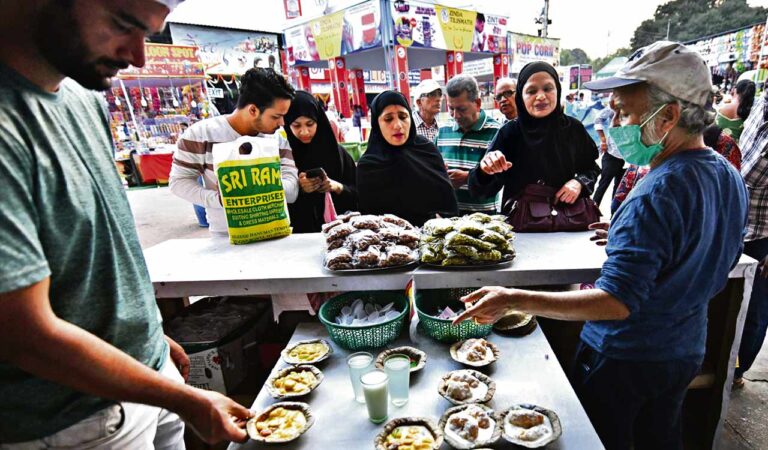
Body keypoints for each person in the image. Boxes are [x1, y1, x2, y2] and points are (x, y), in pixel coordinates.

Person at [455, 41, 749, 450]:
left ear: (668, 116)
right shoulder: (726, 175)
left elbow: (616, 302)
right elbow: (717, 255)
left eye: (625, 112)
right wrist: (641, 238)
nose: (615, 123)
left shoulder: (654, 195)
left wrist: (513, 299)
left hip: (625, 359)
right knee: (661, 438)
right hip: (685, 349)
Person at [0, 0, 253, 448]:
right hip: (73, 422)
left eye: (148, 34)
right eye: (123, 24)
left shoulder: (84, 100)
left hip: (149, 378)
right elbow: (24, 334)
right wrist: (185, 399)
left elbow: (105, 246)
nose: (138, 56)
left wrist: (150, 335)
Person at [169, 67, 299, 235]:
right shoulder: (200, 135)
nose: (282, 123)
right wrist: (220, 199)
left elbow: (292, 191)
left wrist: (257, 188)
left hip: (275, 231)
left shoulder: (277, 139)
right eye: (276, 116)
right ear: (253, 110)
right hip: (226, 237)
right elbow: (178, 183)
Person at [468, 62, 599, 215]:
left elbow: (591, 168)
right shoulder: (510, 133)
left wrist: (579, 183)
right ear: (521, 97)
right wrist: (485, 170)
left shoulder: (573, 129)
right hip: (520, 223)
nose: (541, 96)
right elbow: (482, 191)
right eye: (531, 91)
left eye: (548, 88)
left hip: (565, 220)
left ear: (558, 90)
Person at [357, 90, 458, 226]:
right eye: (388, 119)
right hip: (389, 238)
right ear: (376, 123)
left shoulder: (427, 150)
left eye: (403, 117)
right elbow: (370, 218)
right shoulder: (369, 165)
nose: (398, 125)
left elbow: (448, 202)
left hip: (435, 234)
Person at [611, 122, 741, 213]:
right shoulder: (649, 144)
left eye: (626, 113)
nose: (615, 123)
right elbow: (620, 200)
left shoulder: (722, 148)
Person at [284, 91, 357, 233]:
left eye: (310, 124)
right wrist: (297, 188)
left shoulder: (338, 154)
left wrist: (337, 187)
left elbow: (358, 194)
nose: (304, 132)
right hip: (299, 236)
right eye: (296, 125)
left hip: (340, 234)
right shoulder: (285, 157)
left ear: (319, 120)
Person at [735, 84, 768, 387]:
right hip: (734, 225)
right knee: (726, 305)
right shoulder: (761, 104)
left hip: (763, 237)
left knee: (755, 311)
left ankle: (737, 372)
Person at [436, 74, 502, 214]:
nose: (455, 115)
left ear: (477, 103)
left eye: (461, 109)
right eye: (451, 108)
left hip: (484, 219)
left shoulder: (497, 132)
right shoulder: (442, 131)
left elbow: (499, 179)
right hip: (448, 218)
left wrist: (468, 178)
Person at [592, 95, 625, 209]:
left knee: (620, 190)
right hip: (612, 153)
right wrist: (602, 139)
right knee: (603, 185)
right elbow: (598, 118)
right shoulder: (614, 108)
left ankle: (614, 214)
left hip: (629, 157)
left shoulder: (636, 108)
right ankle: (592, 212)